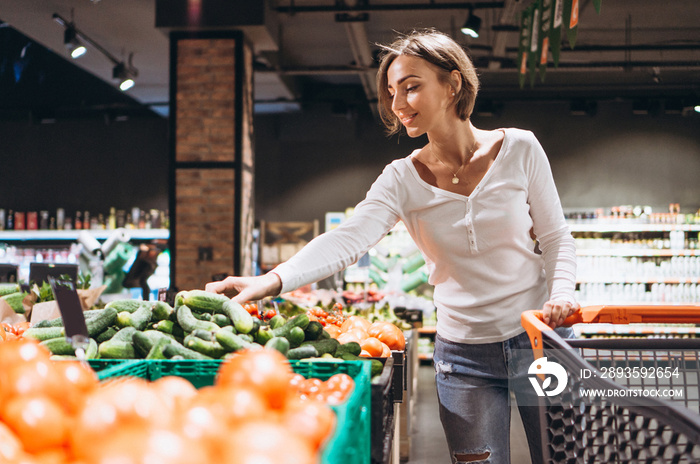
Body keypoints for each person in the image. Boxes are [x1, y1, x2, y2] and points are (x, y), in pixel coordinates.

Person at [206, 28, 579, 464]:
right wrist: (272, 281)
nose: (398, 104)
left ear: (453, 84)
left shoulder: (520, 148)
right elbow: (348, 238)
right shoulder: (401, 178)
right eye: (391, 92)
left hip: (541, 340)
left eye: (412, 87)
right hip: (464, 357)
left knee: (564, 458)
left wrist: (562, 294)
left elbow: (555, 238)